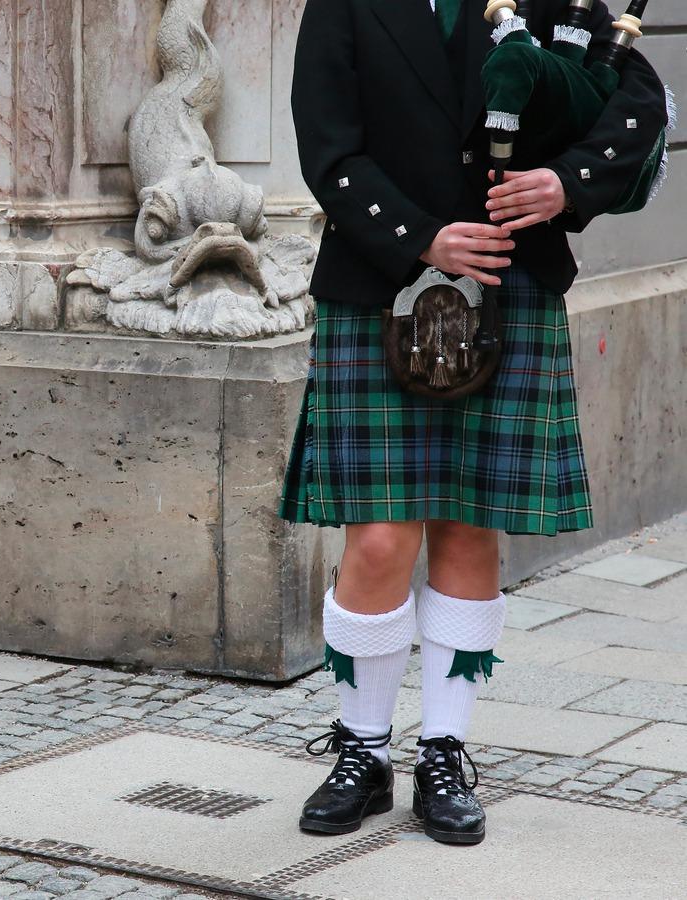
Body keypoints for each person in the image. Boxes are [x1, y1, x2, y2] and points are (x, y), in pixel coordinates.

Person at [283, 0, 667, 844]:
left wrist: (569, 182)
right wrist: (422, 239)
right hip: (383, 282)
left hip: (507, 284)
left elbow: (637, 107)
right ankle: (362, 746)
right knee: (380, 539)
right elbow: (328, 146)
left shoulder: (556, 3)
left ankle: (445, 750)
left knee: (467, 529)